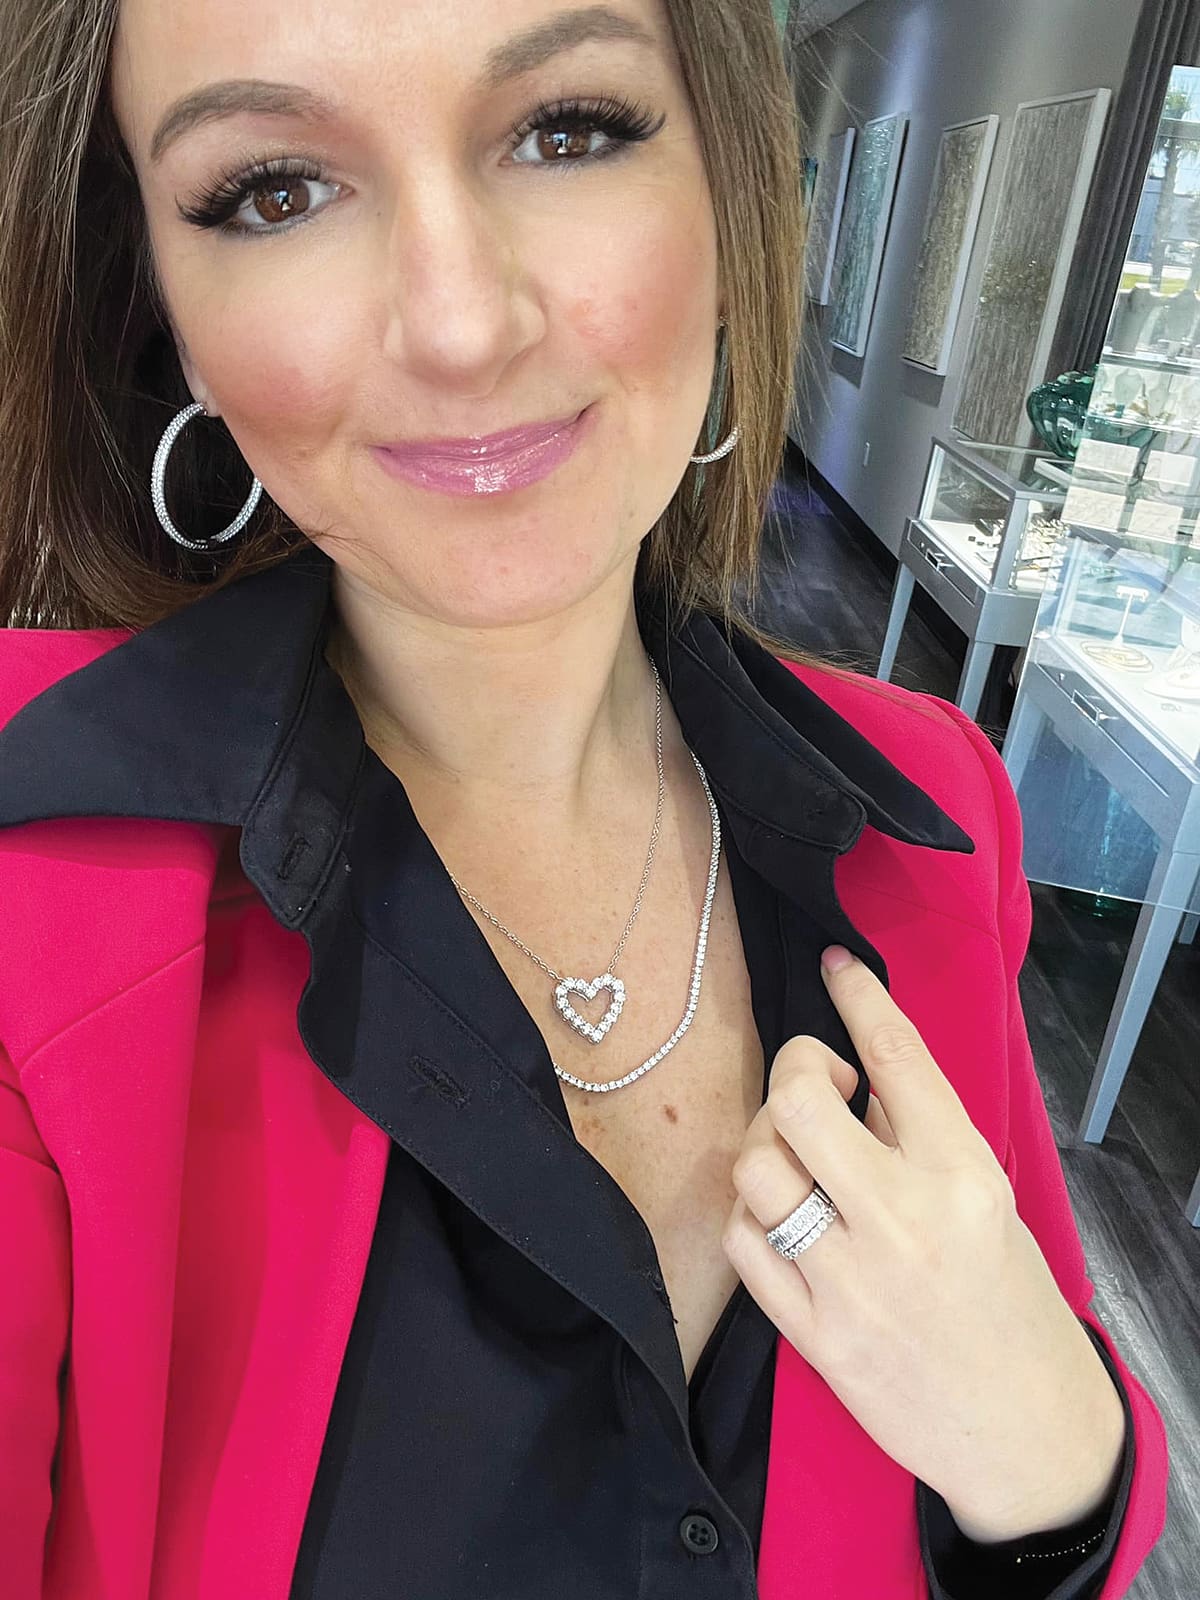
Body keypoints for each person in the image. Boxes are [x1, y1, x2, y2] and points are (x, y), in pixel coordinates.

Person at [0, 2, 1168, 1596]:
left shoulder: (930, 809)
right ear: (162, 303)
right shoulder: (36, 888)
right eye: (274, 189)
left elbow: (1045, 1461)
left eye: (567, 131)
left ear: (729, 199)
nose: (461, 324)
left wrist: (1053, 1448)